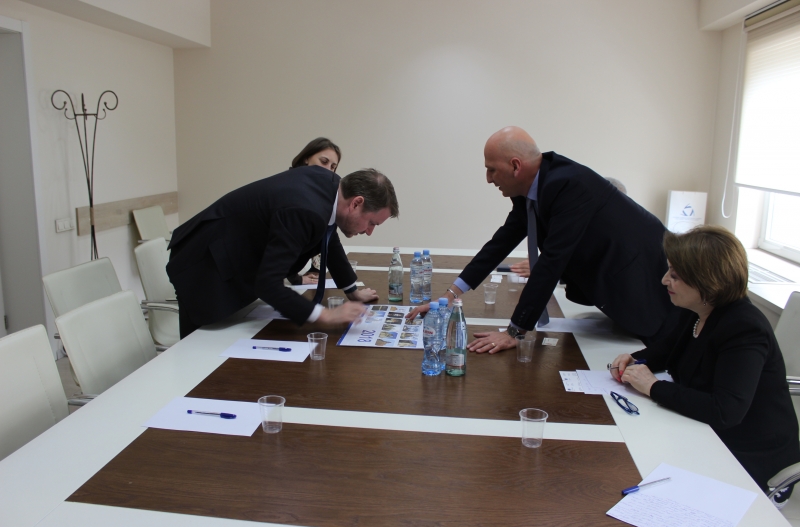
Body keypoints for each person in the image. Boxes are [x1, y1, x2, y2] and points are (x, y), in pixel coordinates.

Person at [409, 126, 675, 352]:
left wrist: (514, 332)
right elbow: (499, 244)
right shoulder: (531, 188)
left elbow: (552, 262)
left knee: (664, 346)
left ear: (516, 166)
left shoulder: (569, 185)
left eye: (491, 170)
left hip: (643, 283)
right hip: (617, 281)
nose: (488, 179)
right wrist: (448, 296)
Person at [610, 226, 800, 500]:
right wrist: (637, 359)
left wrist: (652, 386)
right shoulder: (700, 309)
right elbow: (669, 349)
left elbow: (725, 411)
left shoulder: (745, 328)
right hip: (705, 433)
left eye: (675, 276)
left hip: (749, 456)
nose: (664, 280)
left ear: (707, 282)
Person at [167, 166, 399, 338]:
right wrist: (326, 315)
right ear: (356, 203)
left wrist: (352, 290)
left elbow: (328, 237)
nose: (369, 232)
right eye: (372, 223)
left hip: (225, 256)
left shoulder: (332, 189)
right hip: (203, 265)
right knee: (198, 355)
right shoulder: (306, 209)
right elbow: (268, 284)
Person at [287, 137, 343, 286]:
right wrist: (295, 279)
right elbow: (287, 242)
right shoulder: (293, 187)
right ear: (306, 158)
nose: (328, 170)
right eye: (324, 162)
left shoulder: (318, 193)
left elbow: (325, 234)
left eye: (333, 167)